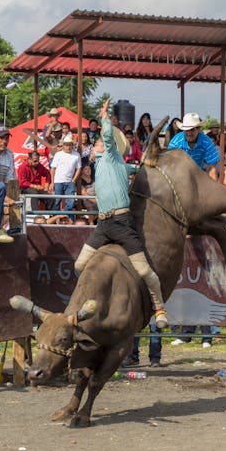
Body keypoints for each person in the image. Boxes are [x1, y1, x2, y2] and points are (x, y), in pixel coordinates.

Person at [74, 99, 169, 329]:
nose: (95, 145)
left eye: (97, 143)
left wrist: (104, 116)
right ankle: (93, 303)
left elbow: (109, 138)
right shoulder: (108, 164)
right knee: (79, 266)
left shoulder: (112, 156)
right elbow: (134, 168)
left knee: (145, 270)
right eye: (97, 143)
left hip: (121, 220)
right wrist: (140, 166)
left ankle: (159, 308)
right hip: (104, 223)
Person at [167, 112, 220, 181]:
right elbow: (170, 164)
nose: (189, 133)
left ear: (198, 129)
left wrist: (214, 190)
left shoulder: (207, 142)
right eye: (186, 130)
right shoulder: (175, 142)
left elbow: (212, 169)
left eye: (192, 130)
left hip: (197, 174)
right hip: (177, 174)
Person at [50, 134, 82, 212]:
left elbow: (79, 168)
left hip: (69, 182)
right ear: (63, 145)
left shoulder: (76, 155)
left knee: (70, 203)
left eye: (70, 145)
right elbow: (53, 169)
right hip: (58, 181)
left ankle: (66, 219)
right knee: (56, 202)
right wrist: (52, 182)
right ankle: (56, 220)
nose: (68, 147)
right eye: (66, 145)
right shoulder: (58, 154)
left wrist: (73, 180)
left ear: (72, 145)